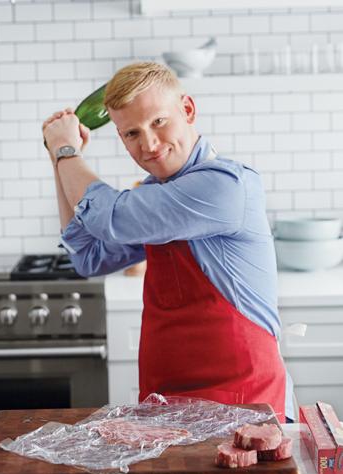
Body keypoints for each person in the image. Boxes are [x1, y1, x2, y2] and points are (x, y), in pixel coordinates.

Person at [42, 62, 292, 424]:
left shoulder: (225, 186)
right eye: (131, 133)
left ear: (187, 109)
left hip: (243, 408)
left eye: (158, 121)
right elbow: (89, 256)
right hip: (167, 410)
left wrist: (68, 150)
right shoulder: (156, 195)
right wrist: (58, 158)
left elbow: (112, 217)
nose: (149, 144)